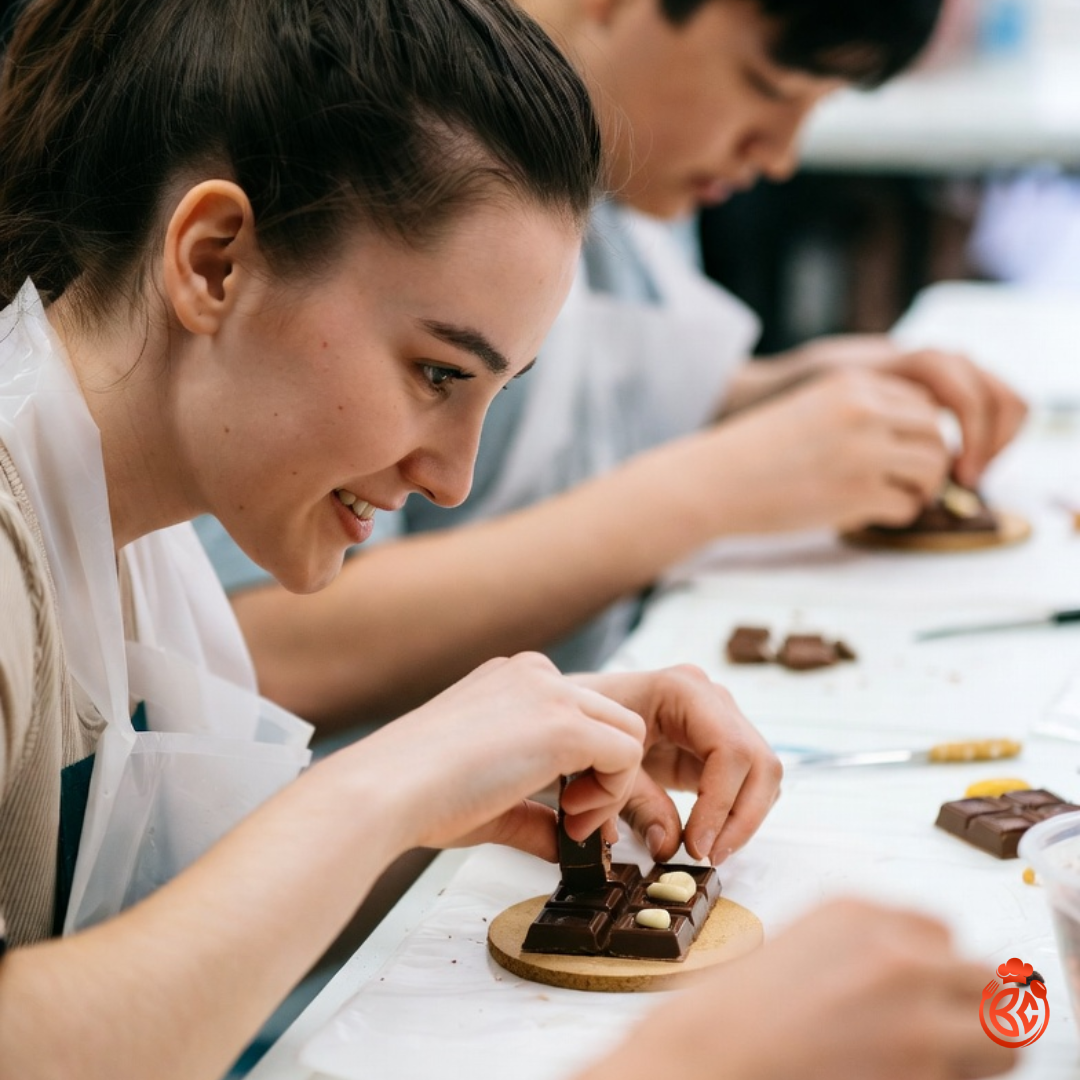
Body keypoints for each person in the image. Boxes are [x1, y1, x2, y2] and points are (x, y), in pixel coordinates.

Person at [0, 3, 1017, 1079]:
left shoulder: (123, 536)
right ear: (214, 263)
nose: (454, 478)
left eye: (494, 393)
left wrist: (461, 790)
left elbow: (162, 931)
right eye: (437, 373)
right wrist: (387, 785)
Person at [193, 0, 1029, 727]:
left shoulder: (621, 183)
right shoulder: (366, 136)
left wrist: (778, 395)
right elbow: (245, 648)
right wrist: (710, 490)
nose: (780, 155)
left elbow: (580, 408)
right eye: (769, 85)